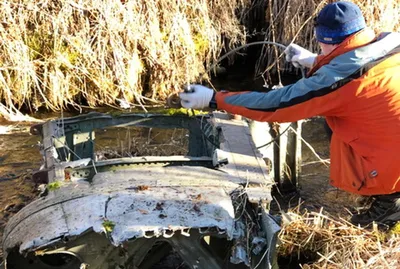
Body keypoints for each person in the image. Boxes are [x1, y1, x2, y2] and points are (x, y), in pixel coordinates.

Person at [179, 1, 400, 227]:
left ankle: (391, 202)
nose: (319, 47)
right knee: (337, 124)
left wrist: (215, 99)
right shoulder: (389, 44)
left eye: (321, 44)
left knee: (370, 221)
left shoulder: (341, 82)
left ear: (327, 40)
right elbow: (357, 60)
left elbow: (276, 105)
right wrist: (313, 60)